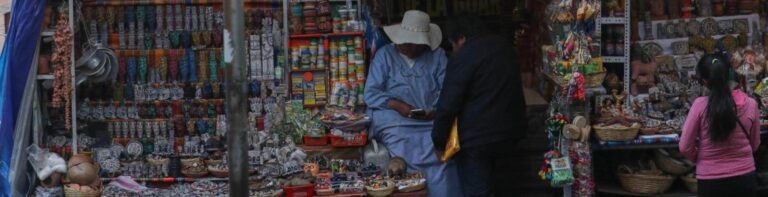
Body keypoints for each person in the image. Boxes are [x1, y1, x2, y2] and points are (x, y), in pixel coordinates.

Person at [364, 10, 461, 197]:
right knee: (401, 150)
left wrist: (435, 110)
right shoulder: (385, 56)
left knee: (442, 152)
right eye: (406, 41)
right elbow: (371, 93)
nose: (410, 47)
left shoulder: (438, 56)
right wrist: (397, 105)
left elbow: (448, 91)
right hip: (396, 121)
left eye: (415, 43)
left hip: (431, 120)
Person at [432, 16, 528, 196]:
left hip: (478, 140)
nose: (454, 50)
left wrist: (439, 141)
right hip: (512, 134)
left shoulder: (464, 56)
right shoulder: (505, 47)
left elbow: (448, 105)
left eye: (453, 45)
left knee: (477, 191)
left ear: (460, 38)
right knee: (505, 188)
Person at [680, 54, 761, 197]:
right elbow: (755, 144)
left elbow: (684, 146)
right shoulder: (751, 104)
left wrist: (700, 158)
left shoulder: (699, 105)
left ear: (704, 80)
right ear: (729, 73)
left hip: (710, 180)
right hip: (745, 176)